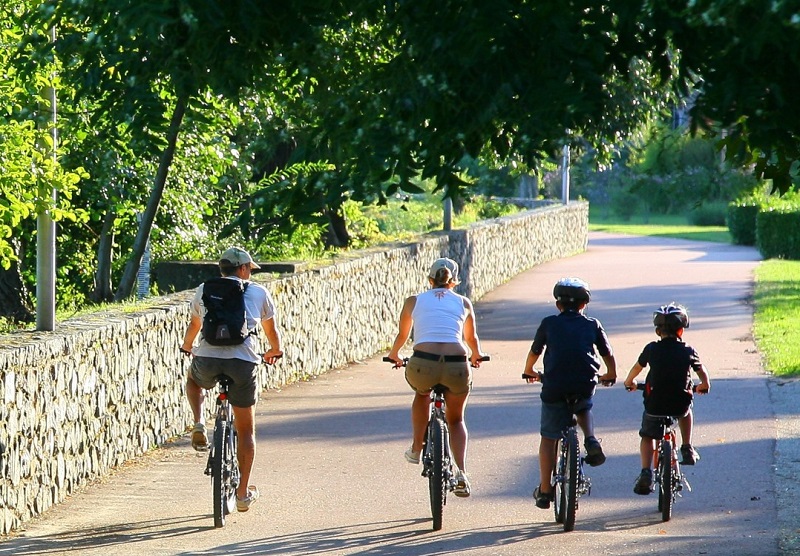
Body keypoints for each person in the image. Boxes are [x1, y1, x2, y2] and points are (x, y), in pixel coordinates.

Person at [180, 246, 283, 512]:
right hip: (243, 362)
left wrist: (187, 346)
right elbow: (271, 331)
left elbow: (195, 325)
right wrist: (274, 351)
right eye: (249, 268)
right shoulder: (258, 292)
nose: (250, 272)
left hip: (208, 357)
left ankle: (199, 422)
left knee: (193, 379)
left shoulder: (204, 289)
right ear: (242, 268)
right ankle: (242, 493)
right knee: (246, 430)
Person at [387, 257, 487, 498]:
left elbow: (403, 335)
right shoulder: (463, 302)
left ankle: (416, 447)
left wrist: (394, 355)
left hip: (424, 363)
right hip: (456, 366)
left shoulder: (414, 301)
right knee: (456, 420)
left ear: (430, 279)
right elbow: (471, 339)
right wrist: (477, 355)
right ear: (454, 281)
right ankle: (461, 472)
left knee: (421, 394)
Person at [522, 277, 617, 510]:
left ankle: (545, 491)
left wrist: (529, 371)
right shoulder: (592, 324)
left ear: (558, 305)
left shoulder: (549, 323)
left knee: (548, 437)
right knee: (583, 405)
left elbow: (535, 351)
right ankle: (591, 439)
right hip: (584, 381)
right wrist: (610, 374)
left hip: (555, 384)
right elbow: (607, 353)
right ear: (584, 305)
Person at [623, 303, 710, 495]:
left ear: (657, 331)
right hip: (680, 401)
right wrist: (704, 384)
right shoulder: (688, 350)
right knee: (686, 412)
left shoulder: (651, 349)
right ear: (681, 330)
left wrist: (629, 381)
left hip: (655, 403)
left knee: (647, 435)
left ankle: (646, 471)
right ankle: (686, 446)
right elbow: (700, 370)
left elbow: (638, 368)